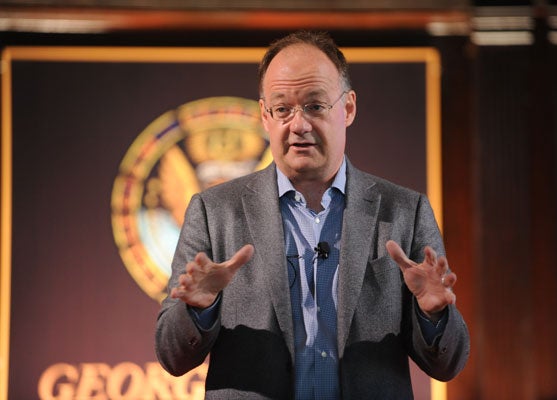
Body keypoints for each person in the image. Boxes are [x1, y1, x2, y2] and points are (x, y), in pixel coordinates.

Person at [155, 30, 469, 400]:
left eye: (315, 106)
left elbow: (448, 364)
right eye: (282, 108)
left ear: (348, 108)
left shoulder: (405, 211)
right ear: (264, 115)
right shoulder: (213, 212)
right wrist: (198, 310)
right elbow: (171, 355)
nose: (298, 125)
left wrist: (433, 316)